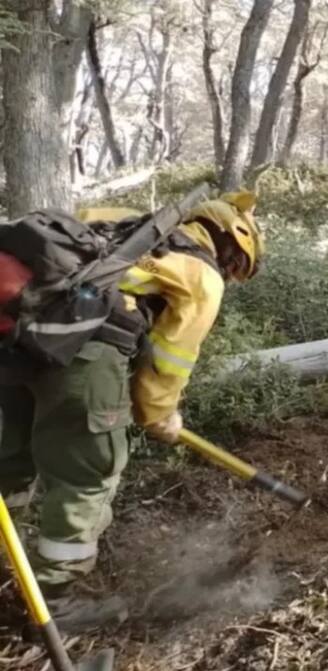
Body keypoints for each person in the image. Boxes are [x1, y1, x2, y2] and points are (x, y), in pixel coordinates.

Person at [0, 191, 263, 630]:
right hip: (83, 360)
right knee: (88, 473)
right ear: (231, 245)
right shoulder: (202, 275)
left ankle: (10, 577)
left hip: (14, 345)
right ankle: (55, 604)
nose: (230, 276)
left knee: (9, 464)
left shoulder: (119, 220)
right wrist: (160, 415)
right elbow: (170, 359)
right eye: (237, 267)